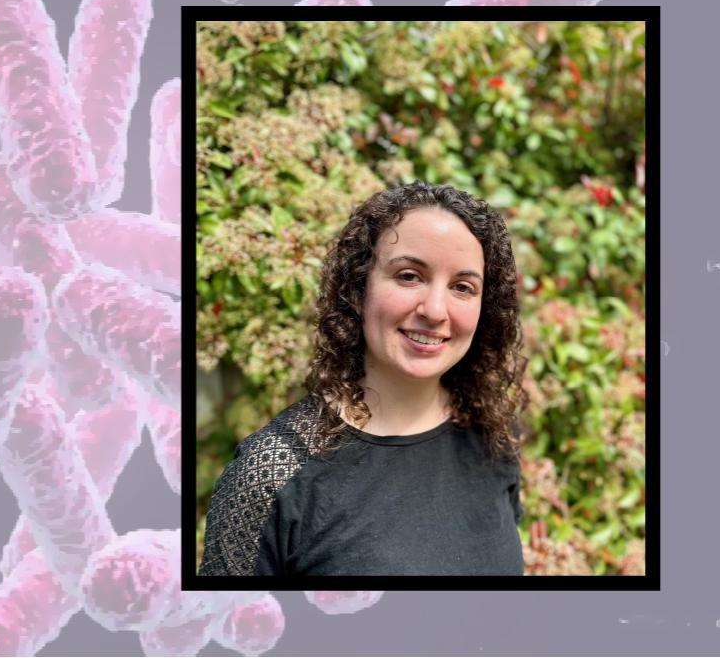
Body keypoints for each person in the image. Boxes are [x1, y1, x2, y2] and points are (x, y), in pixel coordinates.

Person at [197, 181, 530, 576]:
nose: (436, 310)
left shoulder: (492, 438)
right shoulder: (270, 471)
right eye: (409, 276)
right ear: (358, 289)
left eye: (462, 287)